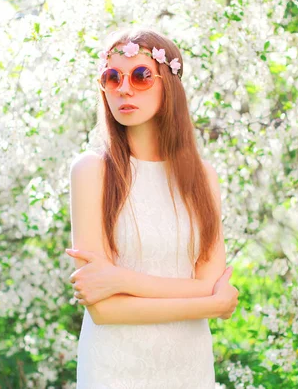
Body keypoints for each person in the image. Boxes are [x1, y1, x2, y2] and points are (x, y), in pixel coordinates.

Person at [67, 27, 239, 388]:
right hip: (113, 369)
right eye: (112, 78)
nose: (124, 88)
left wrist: (122, 280)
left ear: (169, 85)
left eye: (142, 76)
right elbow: (105, 309)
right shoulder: (92, 171)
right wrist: (209, 303)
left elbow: (213, 284)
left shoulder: (202, 178)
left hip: (188, 367)